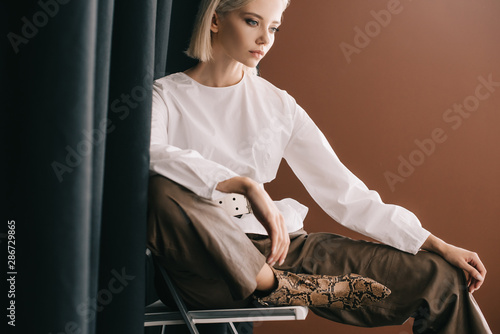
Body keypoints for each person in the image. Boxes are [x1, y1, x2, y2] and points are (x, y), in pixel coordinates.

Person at [147, 0, 492, 332]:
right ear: (216, 20)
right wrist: (243, 184)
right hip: (206, 268)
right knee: (159, 190)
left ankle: (279, 282)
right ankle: (275, 285)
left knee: (440, 277)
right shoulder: (164, 96)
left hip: (285, 252)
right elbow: (149, 152)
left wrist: (432, 243)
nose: (266, 39)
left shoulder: (279, 105)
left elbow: (346, 193)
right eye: (253, 22)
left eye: (274, 27)